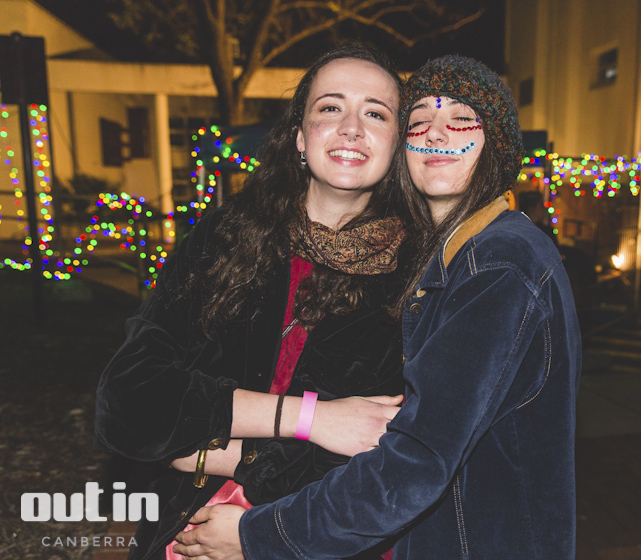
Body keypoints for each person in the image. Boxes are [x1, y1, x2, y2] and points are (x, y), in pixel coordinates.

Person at [173, 55, 582, 560]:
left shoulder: (498, 265)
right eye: (419, 121)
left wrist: (257, 535)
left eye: (461, 119)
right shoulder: (448, 259)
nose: (436, 134)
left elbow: (414, 463)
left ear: (495, 145)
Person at [94, 42, 410, 560]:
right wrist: (312, 420)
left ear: (397, 144)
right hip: (187, 528)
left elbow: (390, 462)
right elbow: (129, 403)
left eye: (375, 113)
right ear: (299, 137)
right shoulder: (227, 237)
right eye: (330, 107)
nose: (352, 127)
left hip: (322, 538)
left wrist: (212, 465)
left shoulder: (415, 274)